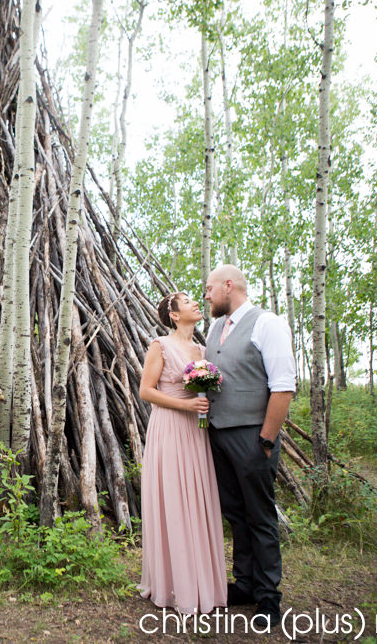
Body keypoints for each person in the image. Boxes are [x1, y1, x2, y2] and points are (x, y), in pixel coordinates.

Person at [203, 264, 296, 628]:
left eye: (210, 288)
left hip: (253, 436)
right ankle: (244, 583)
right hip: (219, 434)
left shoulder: (266, 323)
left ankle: (269, 596)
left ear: (229, 286)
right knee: (236, 514)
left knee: (260, 515)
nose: (206, 295)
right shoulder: (215, 328)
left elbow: (283, 386)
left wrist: (266, 439)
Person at [137, 291, 227, 614]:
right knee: (175, 499)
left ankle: (201, 582)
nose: (195, 303)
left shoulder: (202, 350)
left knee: (198, 500)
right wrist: (185, 405)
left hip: (196, 432)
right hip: (170, 428)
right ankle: (175, 583)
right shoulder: (160, 345)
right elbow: (146, 391)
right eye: (187, 302)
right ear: (174, 315)